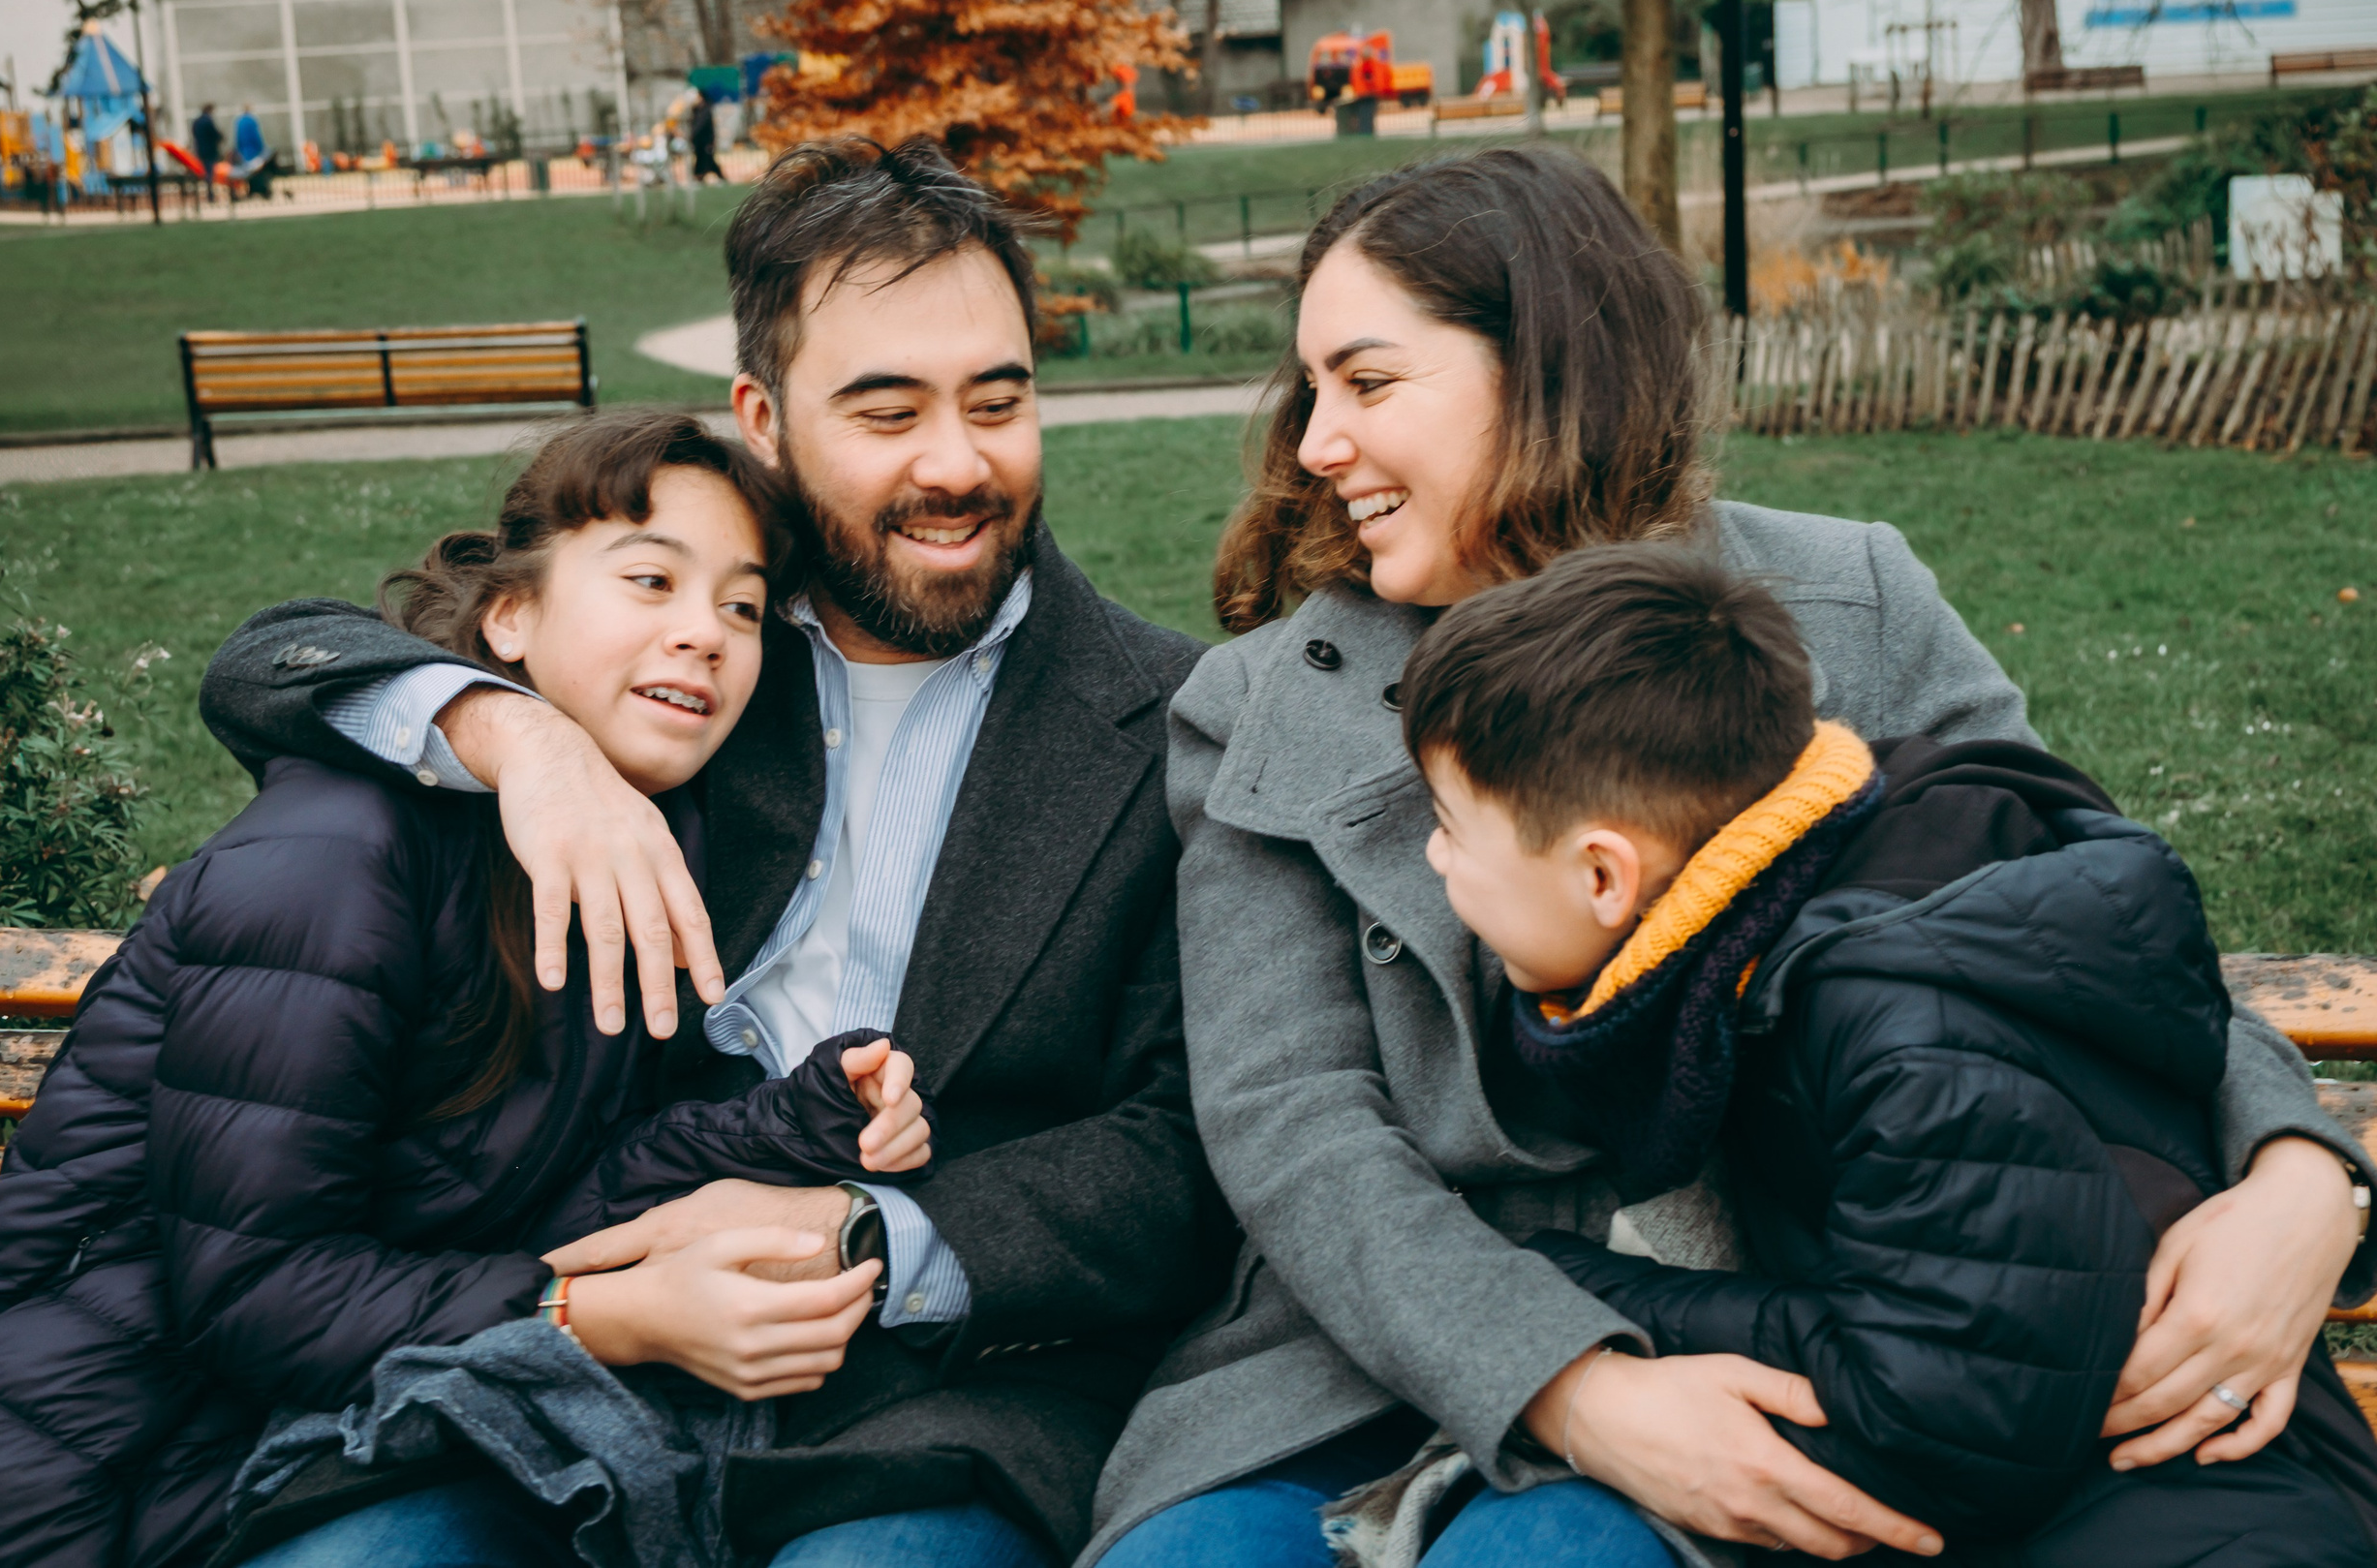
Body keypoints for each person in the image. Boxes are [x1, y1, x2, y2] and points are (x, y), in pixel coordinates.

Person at [1082, 146, 2375, 1567]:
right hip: (1374, 1346)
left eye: (1369, 383)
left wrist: (2300, 1172)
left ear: (1549, 372)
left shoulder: (1845, 602)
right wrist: (1570, 1383)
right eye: (1313, 386)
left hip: (1781, 1332)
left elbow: (2086, 917)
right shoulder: (1267, 705)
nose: (1315, 441)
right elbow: (1295, 1123)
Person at [184, 136, 1223, 1567]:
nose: (958, 462)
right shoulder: (694, 650)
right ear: (765, 419)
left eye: (1000, 399)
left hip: (951, 1388)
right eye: (886, 409)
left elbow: (1180, 1146)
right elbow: (267, 662)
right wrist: (523, 743)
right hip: (573, 1340)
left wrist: (871, 1240)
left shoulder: (1172, 717)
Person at [0, 414, 937, 1568]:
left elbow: (537, 1182)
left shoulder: (635, 856)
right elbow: (251, 1291)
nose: (703, 634)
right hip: (48, 1458)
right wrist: (593, 1316)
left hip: (269, 1447)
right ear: (510, 617)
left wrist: (796, 1118)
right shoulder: (342, 850)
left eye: (742, 608)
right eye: (651, 580)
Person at [1383, 542, 2377, 1564]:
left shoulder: (1897, 1026)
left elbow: (1939, 1419)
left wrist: (1563, 1283)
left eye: (1453, 827)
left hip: (2186, 1511)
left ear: (1604, 876)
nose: (1433, 855)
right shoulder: (1822, 886)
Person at [190, 100, 223, 196]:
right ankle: (210, 193)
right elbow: (215, 135)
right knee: (210, 171)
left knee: (204, 170)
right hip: (210, 150)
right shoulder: (208, 121)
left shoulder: (197, 122)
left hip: (200, 149)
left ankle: (208, 190)